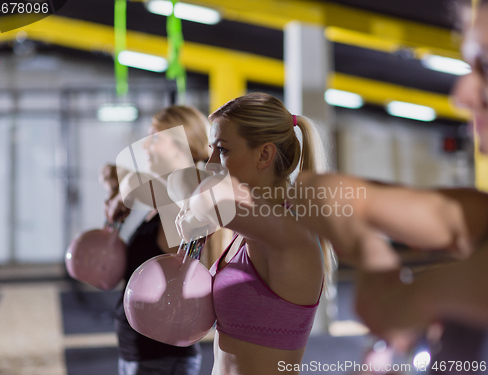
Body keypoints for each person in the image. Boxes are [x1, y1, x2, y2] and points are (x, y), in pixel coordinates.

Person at [285, 0, 488, 351]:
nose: (461, 95)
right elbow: (320, 192)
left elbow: (390, 308)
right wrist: (369, 247)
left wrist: (381, 270)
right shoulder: (475, 218)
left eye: (485, 64)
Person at [176, 92, 334, 375]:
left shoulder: (289, 230)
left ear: (264, 154)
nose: (211, 162)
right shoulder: (246, 231)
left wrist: (196, 214)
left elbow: (201, 197)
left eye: (222, 150)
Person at [100, 105, 211, 375]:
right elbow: (113, 172)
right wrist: (115, 185)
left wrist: (120, 193)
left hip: (162, 358)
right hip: (137, 352)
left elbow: (137, 182)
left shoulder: (187, 196)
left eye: (156, 138)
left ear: (184, 144)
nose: (146, 146)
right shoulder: (159, 202)